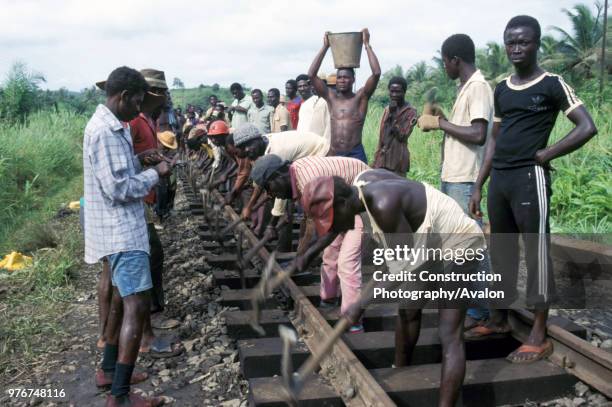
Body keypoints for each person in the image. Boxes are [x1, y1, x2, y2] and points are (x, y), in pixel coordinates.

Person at [467, 16, 597, 363]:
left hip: (529, 177)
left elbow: (587, 126)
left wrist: (547, 153)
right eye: (511, 42)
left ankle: (539, 334)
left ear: (537, 43)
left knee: (536, 252)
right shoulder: (503, 88)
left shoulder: (552, 84)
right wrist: (479, 185)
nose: (516, 48)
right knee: (502, 253)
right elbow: (493, 142)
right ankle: (498, 318)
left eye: (523, 41)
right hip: (501, 180)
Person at [300, 171, 486, 407]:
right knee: (407, 310)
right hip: (427, 242)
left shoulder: (382, 204)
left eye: (332, 220)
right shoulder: (360, 189)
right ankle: (402, 371)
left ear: (343, 203)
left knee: (449, 333)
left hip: (459, 242)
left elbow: (398, 271)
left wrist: (360, 303)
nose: (335, 227)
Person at [85, 66, 169, 406]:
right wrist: (155, 172)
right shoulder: (106, 131)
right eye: (136, 101)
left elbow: (117, 171)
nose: (139, 108)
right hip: (121, 231)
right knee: (137, 306)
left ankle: (108, 372)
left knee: (122, 302)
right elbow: (118, 188)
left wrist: (138, 160)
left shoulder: (110, 125)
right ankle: (120, 397)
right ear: (122, 97)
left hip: (117, 229)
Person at [417, 34, 494, 327]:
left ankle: (482, 310)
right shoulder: (466, 88)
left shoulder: (478, 88)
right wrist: (446, 119)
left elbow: (478, 134)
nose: (444, 67)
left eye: (445, 61)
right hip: (454, 177)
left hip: (464, 179)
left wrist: (439, 123)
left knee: (471, 246)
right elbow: (468, 129)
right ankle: (474, 304)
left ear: (455, 60)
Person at [250, 155, 369, 332]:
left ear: (278, 176)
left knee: (347, 262)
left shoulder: (308, 181)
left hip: (361, 198)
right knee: (330, 252)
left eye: (268, 187)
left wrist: (304, 256)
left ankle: (353, 320)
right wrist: (304, 256)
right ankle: (328, 300)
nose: (268, 194)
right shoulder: (292, 176)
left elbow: (318, 228)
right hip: (339, 203)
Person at [231, 124, 330, 250]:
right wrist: (250, 206)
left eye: (248, 145)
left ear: (258, 139)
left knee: (310, 209)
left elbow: (281, 191)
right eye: (242, 148)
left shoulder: (278, 152)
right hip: (303, 158)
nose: (246, 150)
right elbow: (264, 182)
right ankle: (303, 250)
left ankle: (308, 252)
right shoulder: (264, 146)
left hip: (321, 153)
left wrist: (272, 224)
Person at [308, 29, 381, 163]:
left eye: (346, 78)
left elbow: (376, 73)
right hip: (334, 152)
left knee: (359, 184)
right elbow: (311, 75)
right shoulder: (331, 97)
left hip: (355, 153)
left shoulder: (360, 97)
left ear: (353, 80)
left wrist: (367, 45)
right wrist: (325, 47)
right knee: (331, 183)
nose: (342, 80)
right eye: (339, 77)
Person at [373, 76, 417, 176]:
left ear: (404, 92)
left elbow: (403, 135)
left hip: (398, 161)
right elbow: (382, 136)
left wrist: (393, 116)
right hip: (383, 159)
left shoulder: (411, 112)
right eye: (392, 91)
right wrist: (376, 158)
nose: (394, 95)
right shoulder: (387, 109)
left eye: (398, 92)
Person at [296, 73, 331, 140]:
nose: (302, 88)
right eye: (300, 86)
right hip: (303, 142)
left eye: (305, 85)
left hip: (317, 142)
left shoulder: (321, 101)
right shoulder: (299, 101)